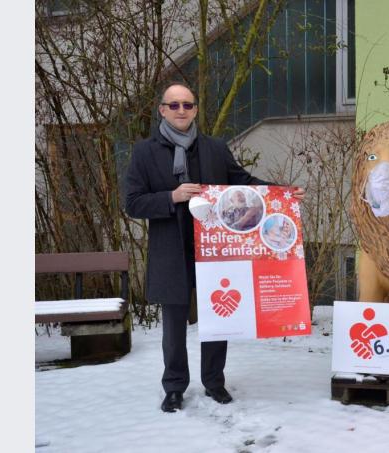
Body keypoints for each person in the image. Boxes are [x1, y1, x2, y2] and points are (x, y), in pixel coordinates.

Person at [125, 82, 305, 413]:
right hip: (170, 250)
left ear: (195, 110)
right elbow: (133, 203)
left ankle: (214, 382)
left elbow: (245, 183)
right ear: (162, 110)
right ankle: (175, 387)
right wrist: (172, 196)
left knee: (216, 320)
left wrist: (282, 194)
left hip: (214, 249)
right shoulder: (144, 152)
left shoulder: (214, 148)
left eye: (188, 105)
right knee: (174, 328)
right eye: (174, 105)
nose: (182, 110)